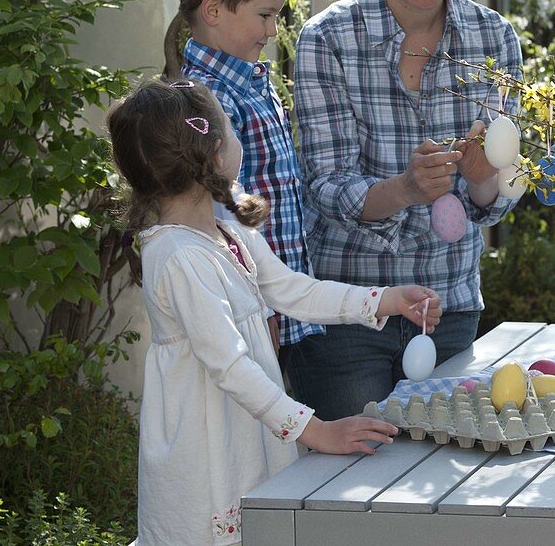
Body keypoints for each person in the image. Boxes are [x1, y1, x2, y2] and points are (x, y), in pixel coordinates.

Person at [107, 80, 442, 546]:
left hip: (247, 429)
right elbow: (228, 364)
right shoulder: (179, 255)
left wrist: (385, 299)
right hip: (205, 450)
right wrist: (317, 430)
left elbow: (294, 292)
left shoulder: (228, 235)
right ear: (215, 154)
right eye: (229, 125)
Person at [292, 0, 523, 420]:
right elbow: (323, 186)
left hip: (450, 311)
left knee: (444, 484)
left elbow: (497, 198)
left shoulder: (494, 41)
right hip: (348, 315)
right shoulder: (328, 40)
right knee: (346, 491)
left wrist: (484, 178)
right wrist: (404, 188)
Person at [172, 0, 323, 364]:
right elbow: (216, 215)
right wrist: (255, 303)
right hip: (253, 309)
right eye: (265, 14)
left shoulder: (253, 81)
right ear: (214, 10)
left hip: (285, 301)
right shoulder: (206, 99)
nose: (274, 30)